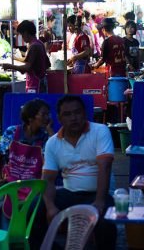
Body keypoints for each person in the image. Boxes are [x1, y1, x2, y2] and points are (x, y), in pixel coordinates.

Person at [36, 95, 116, 249]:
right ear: (59, 118)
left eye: (77, 112)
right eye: (67, 114)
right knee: (34, 209)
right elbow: (48, 179)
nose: (74, 118)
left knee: (105, 219)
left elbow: (104, 167)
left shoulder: (100, 131)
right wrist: (51, 206)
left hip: (99, 193)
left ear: (84, 113)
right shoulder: (52, 143)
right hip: (69, 193)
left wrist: (99, 201)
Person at [0, 99, 53, 231]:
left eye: (49, 114)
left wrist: (50, 132)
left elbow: (54, 156)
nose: (48, 118)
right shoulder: (12, 132)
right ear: (31, 117)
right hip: (7, 182)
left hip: (31, 186)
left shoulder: (47, 139)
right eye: (44, 114)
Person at [1, 20, 50, 93]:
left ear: (26, 33)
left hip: (36, 84)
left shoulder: (34, 46)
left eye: (22, 35)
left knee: (34, 103)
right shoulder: (39, 43)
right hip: (41, 81)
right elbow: (47, 63)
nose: (22, 37)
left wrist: (10, 66)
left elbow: (27, 67)